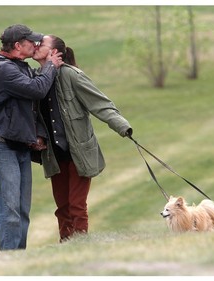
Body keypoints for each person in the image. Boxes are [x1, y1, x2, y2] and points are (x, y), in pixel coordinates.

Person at [32, 35, 133, 242]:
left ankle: (81, 244)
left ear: (54, 53)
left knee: (77, 205)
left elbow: (100, 104)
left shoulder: (72, 76)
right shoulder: (36, 79)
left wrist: (123, 127)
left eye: (41, 44)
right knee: (62, 207)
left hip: (79, 152)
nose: (36, 46)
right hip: (54, 154)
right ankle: (66, 244)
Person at [0, 25, 63, 251]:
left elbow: (30, 107)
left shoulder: (20, 67)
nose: (35, 44)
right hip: (1, 148)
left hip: (20, 147)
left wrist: (36, 134)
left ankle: (20, 260)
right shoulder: (3, 70)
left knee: (22, 210)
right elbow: (36, 90)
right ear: (18, 45)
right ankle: (10, 262)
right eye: (31, 41)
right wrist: (49, 67)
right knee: (9, 212)